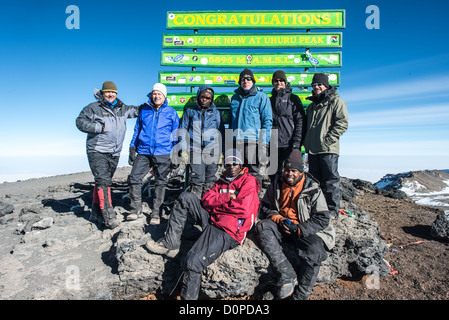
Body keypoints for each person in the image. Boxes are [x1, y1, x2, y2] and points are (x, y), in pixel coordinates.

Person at [145, 149, 260, 300]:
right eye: (228, 164)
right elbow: (206, 199)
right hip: (214, 219)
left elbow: (243, 210)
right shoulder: (222, 181)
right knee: (186, 197)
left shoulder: (249, 181)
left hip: (228, 230)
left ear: (241, 164)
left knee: (193, 262)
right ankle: (171, 242)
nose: (231, 166)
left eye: (235, 163)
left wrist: (217, 204)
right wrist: (227, 197)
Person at [256, 149, 335, 300]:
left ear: (301, 172)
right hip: (282, 224)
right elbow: (265, 207)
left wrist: (299, 229)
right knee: (262, 227)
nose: (289, 174)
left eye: (293, 170)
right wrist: (278, 218)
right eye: (287, 170)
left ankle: (300, 295)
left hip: (304, 228)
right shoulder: (277, 183)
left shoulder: (312, 188)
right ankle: (287, 273)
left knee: (315, 251)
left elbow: (322, 218)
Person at [76, 81, 141, 229]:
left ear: (116, 94)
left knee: (103, 181)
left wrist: (152, 100)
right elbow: (79, 121)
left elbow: (138, 111)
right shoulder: (93, 108)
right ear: (102, 93)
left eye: (113, 92)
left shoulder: (122, 109)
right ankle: (109, 216)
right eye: (107, 92)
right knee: (104, 182)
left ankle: (95, 213)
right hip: (97, 150)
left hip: (115, 152)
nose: (110, 94)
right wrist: (97, 127)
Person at [126, 83, 180, 224]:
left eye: (159, 94)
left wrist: (176, 153)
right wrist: (133, 147)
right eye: (154, 93)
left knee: (160, 183)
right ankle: (135, 209)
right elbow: (137, 130)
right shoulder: (144, 111)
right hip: (144, 151)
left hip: (163, 152)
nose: (156, 96)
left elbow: (176, 135)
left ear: (164, 96)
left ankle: (156, 213)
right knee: (134, 178)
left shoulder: (171, 112)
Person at [303, 73, 348, 217]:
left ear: (326, 85)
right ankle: (318, 207)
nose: (316, 87)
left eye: (319, 84)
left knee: (330, 179)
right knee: (315, 180)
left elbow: (342, 123)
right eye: (314, 84)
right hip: (313, 149)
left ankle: (332, 210)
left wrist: (328, 140)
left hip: (328, 149)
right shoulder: (311, 107)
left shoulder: (336, 102)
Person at [179, 85, 225, 198]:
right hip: (195, 149)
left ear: (211, 99)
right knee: (197, 179)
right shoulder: (190, 112)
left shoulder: (216, 113)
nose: (205, 99)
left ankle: (207, 208)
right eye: (202, 96)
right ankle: (195, 208)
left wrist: (222, 152)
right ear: (198, 97)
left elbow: (221, 133)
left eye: (208, 98)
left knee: (210, 180)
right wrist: (183, 149)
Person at [229, 68, 273, 189]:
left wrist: (264, 142)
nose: (246, 81)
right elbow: (230, 121)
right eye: (243, 79)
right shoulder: (235, 98)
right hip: (236, 141)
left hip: (253, 141)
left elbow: (267, 121)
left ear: (253, 81)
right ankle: (239, 203)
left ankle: (254, 203)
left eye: (249, 79)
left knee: (253, 173)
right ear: (240, 82)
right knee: (237, 173)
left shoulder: (261, 97)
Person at [269, 70, 306, 181]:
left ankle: (287, 198)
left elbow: (300, 122)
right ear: (273, 82)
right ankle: (274, 197)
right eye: (276, 80)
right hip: (273, 145)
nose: (278, 82)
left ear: (285, 82)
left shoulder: (293, 99)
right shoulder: (269, 100)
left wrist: (296, 142)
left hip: (289, 144)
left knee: (289, 177)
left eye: (281, 80)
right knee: (273, 176)